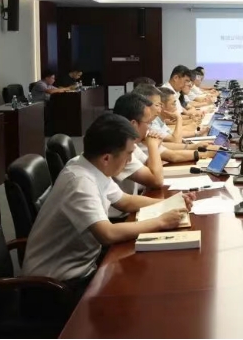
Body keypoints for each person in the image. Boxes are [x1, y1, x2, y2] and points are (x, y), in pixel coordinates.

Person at [21, 113, 195, 302]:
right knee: (145, 291)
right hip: (53, 288)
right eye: (128, 154)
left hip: (83, 266)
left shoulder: (90, 166)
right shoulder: (80, 182)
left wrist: (171, 203)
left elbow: (125, 201)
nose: (130, 160)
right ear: (106, 158)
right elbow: (107, 234)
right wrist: (161, 221)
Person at [132, 85, 216, 164]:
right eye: (157, 105)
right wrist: (206, 153)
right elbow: (173, 148)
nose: (159, 109)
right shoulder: (144, 127)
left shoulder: (146, 124)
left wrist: (194, 145)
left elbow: (163, 145)